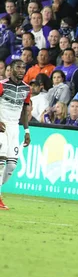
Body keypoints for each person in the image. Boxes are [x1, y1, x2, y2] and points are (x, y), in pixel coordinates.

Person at [0, 60, 31, 209]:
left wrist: (26, 131)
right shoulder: (2, 85)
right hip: (1, 126)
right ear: (10, 69)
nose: (21, 70)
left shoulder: (27, 89)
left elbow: (25, 110)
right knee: (1, 161)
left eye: (23, 68)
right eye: (18, 67)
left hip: (14, 128)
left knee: (11, 165)